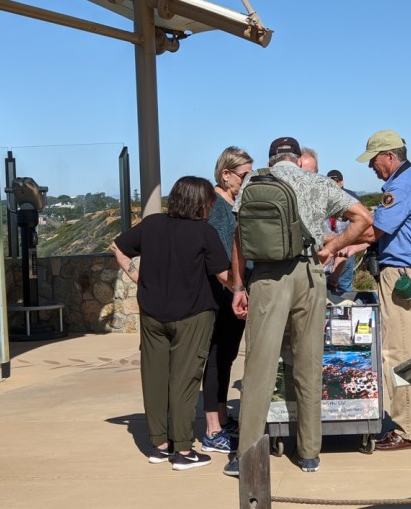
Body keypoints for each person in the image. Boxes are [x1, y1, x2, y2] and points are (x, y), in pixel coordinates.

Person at [223, 136, 373, 476]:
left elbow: (238, 237)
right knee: (308, 363)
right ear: (297, 157)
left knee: (260, 366)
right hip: (309, 274)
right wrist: (333, 244)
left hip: (266, 278)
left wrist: (238, 286)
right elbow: (362, 218)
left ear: (272, 158)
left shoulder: (252, 182)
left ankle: (247, 453)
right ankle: (309, 452)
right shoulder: (317, 182)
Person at [110, 176, 232, 471]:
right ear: (201, 202)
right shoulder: (204, 232)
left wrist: (138, 278)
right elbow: (223, 275)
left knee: (154, 378)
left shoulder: (152, 225)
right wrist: (244, 292)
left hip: (153, 315)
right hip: (192, 316)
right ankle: (183, 450)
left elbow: (118, 246)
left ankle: (159, 445)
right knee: (184, 380)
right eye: (209, 201)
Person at [354, 129, 411, 451]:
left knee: (398, 354)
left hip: (400, 275)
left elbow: (375, 231)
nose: (371, 167)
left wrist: (336, 245)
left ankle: (407, 429)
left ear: (389, 156)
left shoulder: (400, 186)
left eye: (373, 160)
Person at [201, 147, 254, 454]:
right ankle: (213, 428)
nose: (246, 181)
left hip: (236, 290)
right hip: (220, 293)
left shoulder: (236, 202)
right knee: (215, 358)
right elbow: (216, 254)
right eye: (244, 175)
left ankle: (221, 416)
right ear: (226, 174)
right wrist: (235, 286)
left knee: (227, 357)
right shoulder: (213, 205)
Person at [324, 170, 359, 295]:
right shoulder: (322, 200)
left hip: (346, 249)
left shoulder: (351, 200)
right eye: (330, 181)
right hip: (327, 249)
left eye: (336, 181)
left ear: (342, 183)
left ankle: (346, 310)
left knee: (344, 286)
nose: (334, 184)